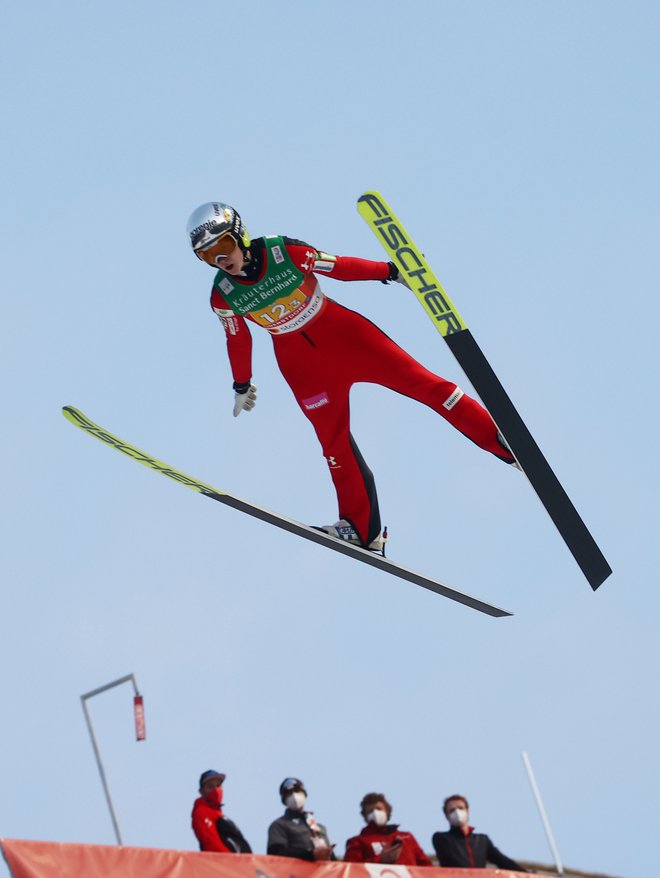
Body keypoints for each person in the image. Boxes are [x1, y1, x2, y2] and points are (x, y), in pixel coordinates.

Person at [186, 202, 517, 552]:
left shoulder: (283, 251)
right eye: (208, 257)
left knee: (425, 385)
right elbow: (237, 338)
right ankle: (361, 529)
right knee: (334, 444)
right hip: (303, 368)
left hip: (349, 339)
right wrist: (241, 383)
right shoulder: (222, 295)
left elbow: (339, 267)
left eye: (222, 247)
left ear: (240, 235)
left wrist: (390, 271)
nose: (221, 260)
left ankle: (503, 443)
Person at [432, 794, 526, 871]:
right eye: (452, 810)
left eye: (460, 808)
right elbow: (450, 861)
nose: (457, 812)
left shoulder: (481, 840)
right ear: (446, 816)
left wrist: (527, 874)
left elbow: (502, 861)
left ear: (468, 811)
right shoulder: (441, 838)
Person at [344, 791, 431, 866]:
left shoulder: (407, 837)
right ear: (365, 816)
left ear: (387, 812)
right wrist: (380, 860)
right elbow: (351, 869)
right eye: (370, 811)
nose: (375, 813)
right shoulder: (356, 841)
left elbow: (426, 866)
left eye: (379, 809)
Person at [267, 777, 334, 861]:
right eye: (289, 794)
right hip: (296, 873)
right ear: (284, 800)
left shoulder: (319, 828)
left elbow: (333, 859)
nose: (294, 796)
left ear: (304, 794)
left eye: (297, 791)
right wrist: (310, 855)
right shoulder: (279, 825)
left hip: (325, 872)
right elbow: (275, 854)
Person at [191, 769, 252, 854]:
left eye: (218, 785)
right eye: (210, 786)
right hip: (225, 864)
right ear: (201, 792)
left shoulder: (217, 814)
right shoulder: (202, 812)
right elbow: (212, 844)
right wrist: (232, 862)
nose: (216, 790)